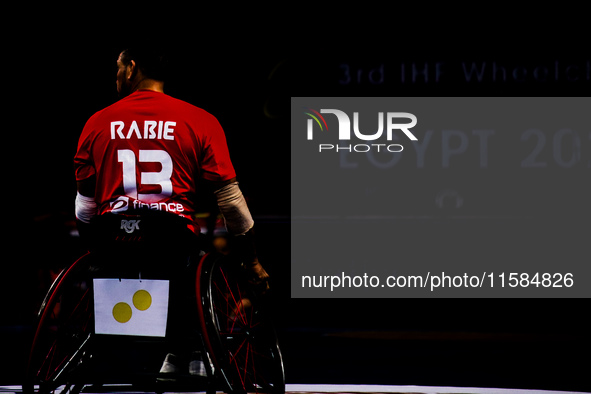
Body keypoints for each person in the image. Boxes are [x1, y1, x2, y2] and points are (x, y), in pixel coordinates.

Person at [73, 46, 268, 376]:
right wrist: (251, 260)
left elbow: (85, 208)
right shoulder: (200, 120)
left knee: (104, 252)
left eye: (118, 67)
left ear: (132, 67)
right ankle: (187, 348)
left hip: (112, 239)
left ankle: (93, 346)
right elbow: (232, 204)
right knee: (194, 256)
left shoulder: (97, 122)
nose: (116, 75)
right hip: (171, 241)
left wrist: (93, 249)